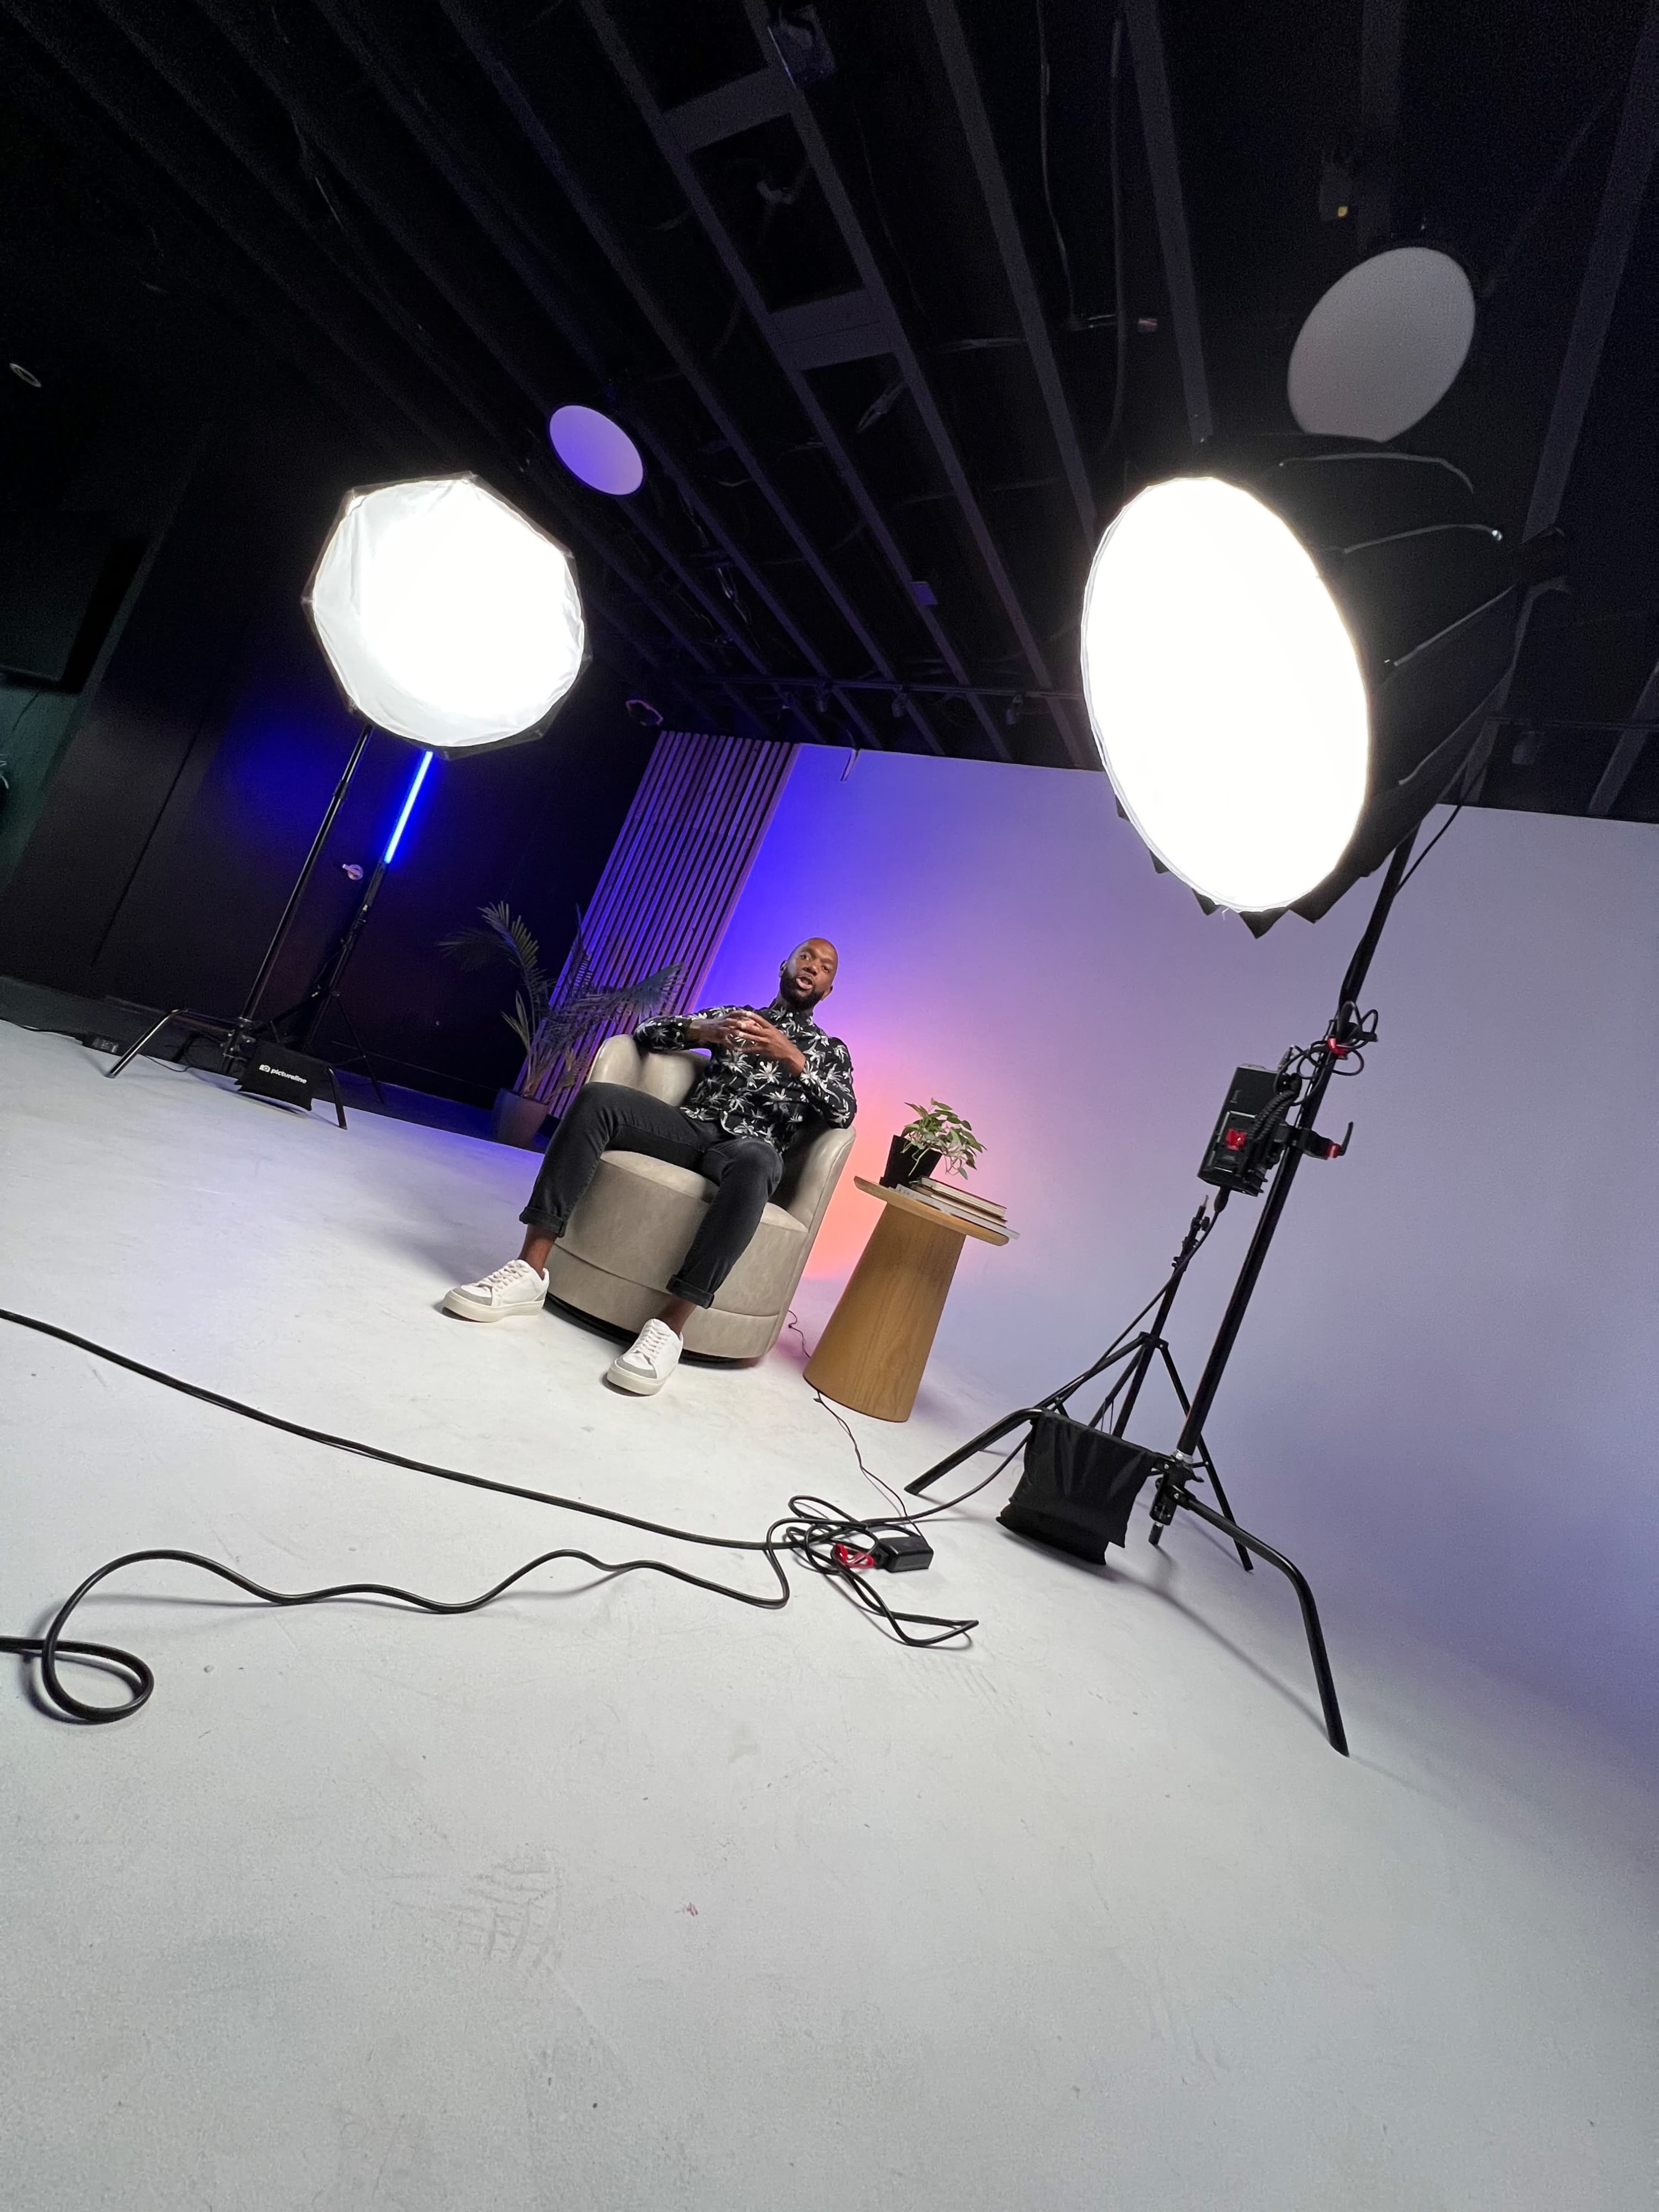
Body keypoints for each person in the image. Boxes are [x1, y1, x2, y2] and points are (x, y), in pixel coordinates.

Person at [444, 938, 855, 1394]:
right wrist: (706, 1032)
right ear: (785, 964)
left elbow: (843, 1112)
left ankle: (668, 1327)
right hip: (691, 1129)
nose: (812, 966)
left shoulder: (829, 1050)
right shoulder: (738, 1016)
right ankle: (530, 1270)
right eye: (805, 956)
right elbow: (647, 1031)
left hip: (748, 1149)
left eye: (824, 966)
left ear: (828, 989)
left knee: (759, 1161)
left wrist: (793, 1058)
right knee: (599, 1100)